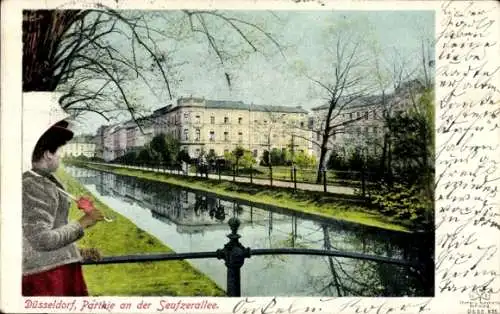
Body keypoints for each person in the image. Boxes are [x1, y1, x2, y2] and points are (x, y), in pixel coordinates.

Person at [22, 120, 104, 296]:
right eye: (59, 150)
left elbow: (43, 234)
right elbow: (42, 240)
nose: (61, 155)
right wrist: (83, 222)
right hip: (47, 276)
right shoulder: (33, 184)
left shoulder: (42, 179)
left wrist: (78, 252)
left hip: (53, 269)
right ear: (47, 154)